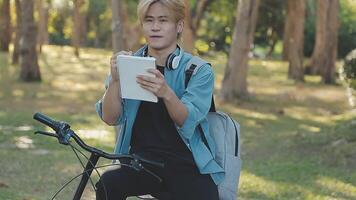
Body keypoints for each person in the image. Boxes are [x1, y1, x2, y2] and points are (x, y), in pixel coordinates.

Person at [95, 0, 224, 199]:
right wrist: (115, 81)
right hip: (142, 164)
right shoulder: (129, 65)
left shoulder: (198, 71)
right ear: (142, 25)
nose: (155, 27)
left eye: (163, 20)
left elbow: (187, 120)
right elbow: (110, 118)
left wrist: (166, 92)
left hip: (188, 165)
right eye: (149, 20)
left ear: (179, 26)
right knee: (108, 183)